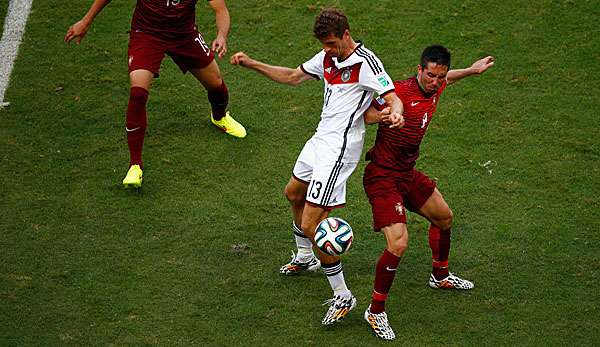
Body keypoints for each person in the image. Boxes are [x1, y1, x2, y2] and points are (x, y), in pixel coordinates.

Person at [230, 9, 404, 326]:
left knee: (314, 226)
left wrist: (397, 112)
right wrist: (252, 63)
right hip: (319, 140)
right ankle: (305, 257)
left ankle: (343, 295)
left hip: (339, 150)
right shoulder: (326, 58)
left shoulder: (366, 62)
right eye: (323, 44)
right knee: (293, 192)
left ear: (346, 34)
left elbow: (391, 96)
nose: (327, 49)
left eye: (331, 43)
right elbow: (293, 76)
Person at [361, 45, 494, 340]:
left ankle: (440, 276)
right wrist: (385, 117)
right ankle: (375, 311)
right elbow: (364, 113)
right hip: (382, 176)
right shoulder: (398, 91)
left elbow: (449, 79)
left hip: (407, 174)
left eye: (440, 77)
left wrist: (472, 70)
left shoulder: (437, 85)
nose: (435, 81)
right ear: (419, 70)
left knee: (444, 217)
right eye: (430, 75)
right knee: (398, 244)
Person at [65, 0, 246, 188]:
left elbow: (220, 9)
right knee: (138, 94)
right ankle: (135, 165)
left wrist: (221, 36)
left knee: (216, 84)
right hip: (147, 34)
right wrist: (86, 21)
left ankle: (219, 117)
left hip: (183, 35)